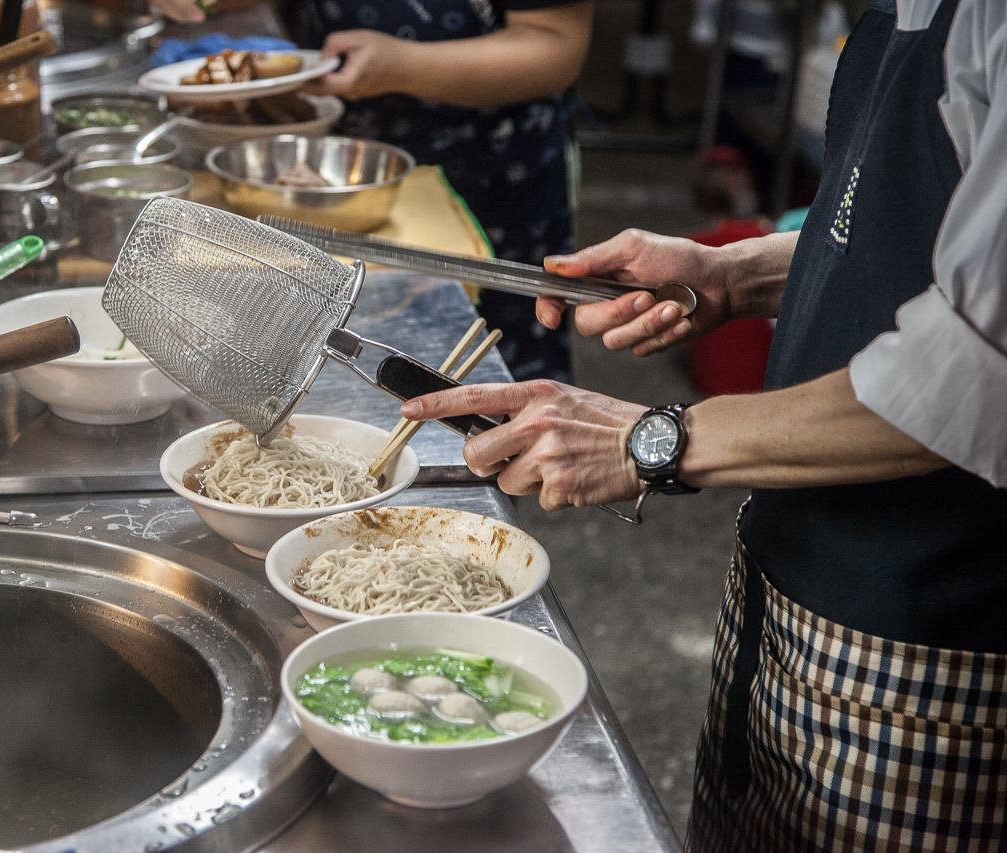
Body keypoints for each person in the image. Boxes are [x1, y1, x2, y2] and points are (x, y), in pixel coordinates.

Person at [401, 0, 1007, 847]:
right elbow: (936, 242)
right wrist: (731, 272)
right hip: (793, 567)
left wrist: (658, 440)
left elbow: (979, 371)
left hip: (934, 643)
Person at [155, 0, 594, 383]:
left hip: (492, 176)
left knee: (495, 395)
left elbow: (556, 45)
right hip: (337, 176)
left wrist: (404, 66)